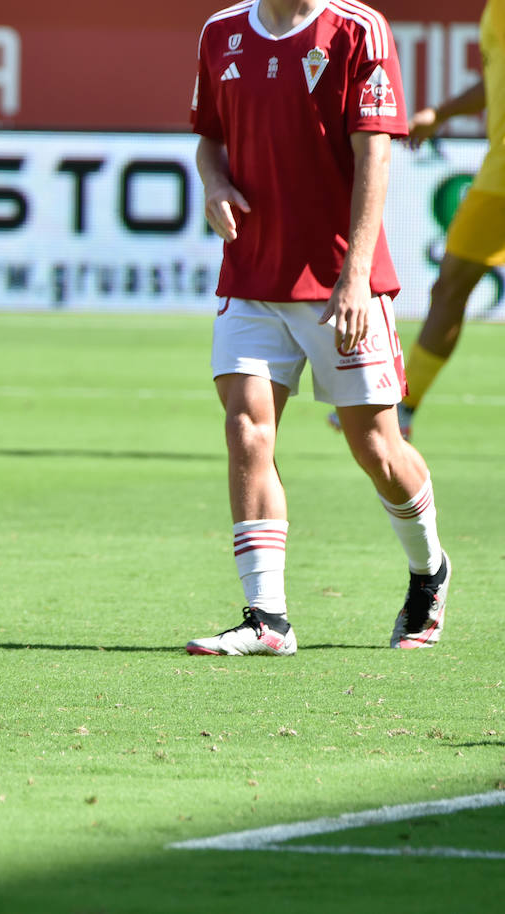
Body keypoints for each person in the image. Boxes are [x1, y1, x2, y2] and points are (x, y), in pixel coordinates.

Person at [186, 0, 451, 655]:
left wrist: (357, 273)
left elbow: (376, 155)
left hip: (339, 283)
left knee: (377, 450)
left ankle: (429, 570)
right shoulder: (220, 33)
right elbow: (208, 140)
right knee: (246, 426)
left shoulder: (357, 29)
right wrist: (214, 181)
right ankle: (267, 617)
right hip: (251, 275)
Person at [328, 0, 505, 440]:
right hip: (498, 175)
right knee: (451, 284)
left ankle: (404, 407)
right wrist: (439, 113)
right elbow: (495, 80)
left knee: (452, 284)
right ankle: (405, 407)